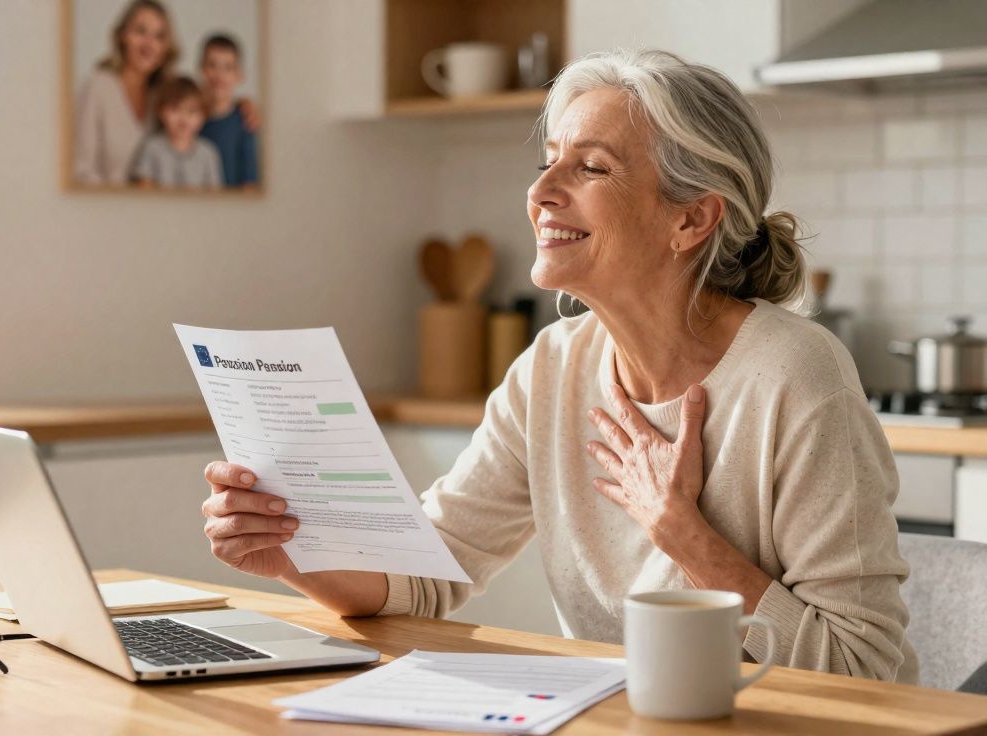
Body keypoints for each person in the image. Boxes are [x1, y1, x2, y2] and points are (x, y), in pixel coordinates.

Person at [200, 49, 920, 684]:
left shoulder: (795, 375)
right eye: (548, 161)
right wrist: (288, 551)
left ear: (691, 220)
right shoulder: (552, 368)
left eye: (592, 167)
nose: (541, 192)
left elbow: (862, 670)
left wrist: (682, 533)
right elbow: (425, 572)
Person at [73, 0, 177, 186]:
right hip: (102, 209)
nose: (149, 44)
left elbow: (202, 118)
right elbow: (81, 168)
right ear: (122, 35)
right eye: (140, 31)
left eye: (159, 36)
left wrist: (243, 107)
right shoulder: (98, 86)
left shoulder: (165, 95)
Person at [131, 77, 222, 190]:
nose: (183, 118)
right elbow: (144, 186)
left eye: (192, 111)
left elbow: (214, 195)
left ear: (203, 116)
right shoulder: (152, 148)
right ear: (161, 111)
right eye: (175, 109)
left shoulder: (208, 153)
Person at [197, 34, 260, 190]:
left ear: (239, 76)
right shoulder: (189, 120)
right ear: (201, 70)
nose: (219, 75)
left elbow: (249, 183)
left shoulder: (245, 121)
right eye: (212, 65)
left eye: (228, 68)